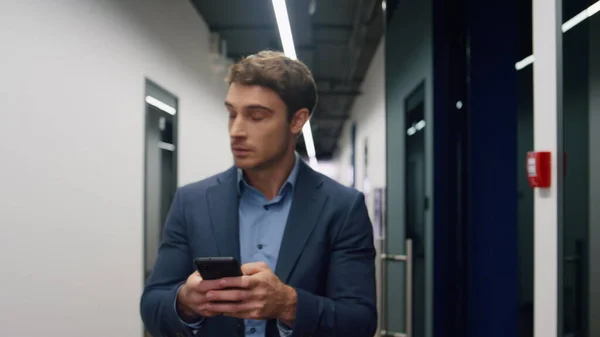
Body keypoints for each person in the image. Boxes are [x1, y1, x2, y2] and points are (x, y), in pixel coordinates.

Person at [140, 50, 377, 337]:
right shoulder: (191, 202)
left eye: (256, 116)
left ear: (297, 120)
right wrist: (184, 302)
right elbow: (152, 304)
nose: (236, 130)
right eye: (231, 114)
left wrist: (289, 304)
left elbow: (359, 321)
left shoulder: (342, 208)